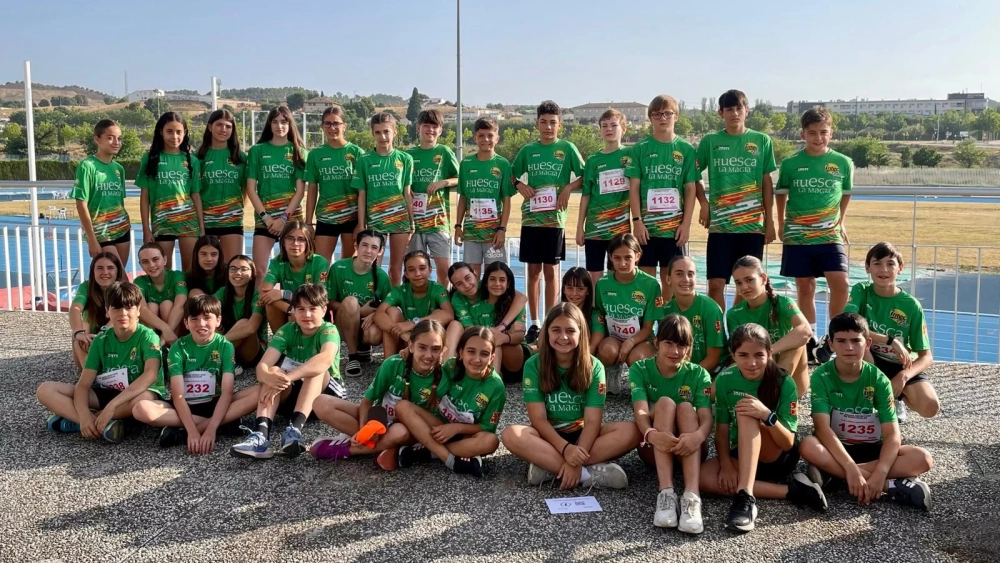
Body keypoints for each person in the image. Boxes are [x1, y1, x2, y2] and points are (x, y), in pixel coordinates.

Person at [700, 324, 826, 533]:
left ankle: (745, 498)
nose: (751, 363)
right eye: (743, 355)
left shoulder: (784, 382)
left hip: (777, 455)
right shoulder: (725, 379)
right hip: (743, 451)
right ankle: (793, 491)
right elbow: (721, 431)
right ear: (733, 354)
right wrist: (726, 465)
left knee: (747, 410)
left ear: (769, 353)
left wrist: (766, 415)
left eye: (759, 355)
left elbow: (787, 443)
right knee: (703, 477)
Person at [799, 313, 932, 510]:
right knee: (807, 445)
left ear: (868, 343)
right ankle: (890, 486)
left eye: (856, 341)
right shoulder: (821, 376)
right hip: (837, 448)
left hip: (873, 450)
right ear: (831, 344)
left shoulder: (879, 380)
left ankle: (833, 475)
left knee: (923, 459)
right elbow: (822, 429)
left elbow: (892, 435)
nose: (849, 347)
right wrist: (851, 467)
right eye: (841, 341)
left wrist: (881, 471)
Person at [501, 303, 637, 491]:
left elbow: (592, 421)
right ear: (546, 332)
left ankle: (550, 467)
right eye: (556, 330)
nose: (563, 337)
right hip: (548, 436)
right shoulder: (533, 365)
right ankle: (586, 475)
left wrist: (576, 454)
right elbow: (538, 419)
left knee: (633, 431)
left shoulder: (595, 366)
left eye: (570, 331)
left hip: (583, 434)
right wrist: (566, 450)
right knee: (511, 434)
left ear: (581, 333)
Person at [37, 281, 166, 444]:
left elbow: (150, 375)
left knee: (144, 398)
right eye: (116, 308)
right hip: (106, 391)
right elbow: (83, 385)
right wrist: (84, 415)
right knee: (45, 390)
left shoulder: (148, 337)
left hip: (135, 393)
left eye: (129, 308)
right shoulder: (100, 340)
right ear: (107, 311)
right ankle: (94, 424)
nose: (123, 313)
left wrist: (112, 406)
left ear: (138, 310)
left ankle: (88, 421)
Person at [310, 320, 448, 470]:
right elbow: (367, 401)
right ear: (411, 346)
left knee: (399, 432)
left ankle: (349, 449)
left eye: (435, 349)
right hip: (380, 421)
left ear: (443, 351)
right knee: (321, 403)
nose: (428, 355)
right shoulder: (393, 364)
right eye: (422, 347)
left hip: (410, 432)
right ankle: (384, 446)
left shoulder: (446, 375)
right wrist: (364, 430)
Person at [131, 294, 258, 452]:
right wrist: (192, 431)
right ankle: (224, 424)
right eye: (194, 319)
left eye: (207, 318)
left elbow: (227, 393)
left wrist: (210, 429)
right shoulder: (178, 348)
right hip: (185, 405)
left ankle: (183, 432)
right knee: (140, 409)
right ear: (186, 323)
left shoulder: (226, 346)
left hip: (216, 401)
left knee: (260, 392)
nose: (201, 324)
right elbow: (178, 396)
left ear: (218, 320)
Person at [231, 284, 345, 459]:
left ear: (323, 310)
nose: (306, 314)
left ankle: (294, 431)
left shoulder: (329, 329)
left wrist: (287, 377)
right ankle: (261, 437)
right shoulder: (288, 330)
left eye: (312, 309)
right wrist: (269, 376)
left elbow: (325, 359)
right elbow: (262, 367)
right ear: (293, 311)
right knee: (273, 370)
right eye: (301, 309)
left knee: (315, 369)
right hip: (293, 393)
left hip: (324, 396)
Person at [776, 107, 853, 365]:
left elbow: (846, 194)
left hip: (829, 235)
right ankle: (809, 340)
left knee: (841, 284)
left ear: (831, 133)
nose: (818, 138)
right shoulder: (790, 164)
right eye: (812, 133)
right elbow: (781, 195)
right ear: (803, 134)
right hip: (798, 235)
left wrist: (841, 221)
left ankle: (833, 338)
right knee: (805, 287)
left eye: (823, 132)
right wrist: (780, 224)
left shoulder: (843, 162)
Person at [629, 315, 713, 533]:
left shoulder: (699, 374)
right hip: (655, 445)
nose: (675, 351)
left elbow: (706, 416)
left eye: (681, 345)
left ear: (689, 348)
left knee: (685, 407)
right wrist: (651, 434)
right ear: (656, 342)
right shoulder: (640, 369)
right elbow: (640, 410)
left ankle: (692, 496)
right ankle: (666, 493)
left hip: (691, 446)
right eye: (668, 343)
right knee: (665, 403)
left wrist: (698, 436)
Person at [695, 90, 777, 311]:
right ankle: (716, 329)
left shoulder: (762, 140)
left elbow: (767, 182)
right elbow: (692, 175)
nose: (735, 113)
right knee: (715, 285)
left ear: (747, 110)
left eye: (739, 108)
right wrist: (704, 203)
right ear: (721, 113)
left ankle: (737, 327)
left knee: (747, 287)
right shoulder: (710, 141)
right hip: (720, 227)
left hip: (752, 227)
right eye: (729, 109)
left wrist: (770, 222)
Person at [512, 101, 585, 344]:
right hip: (531, 219)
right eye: (543, 122)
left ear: (559, 125)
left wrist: (568, 187)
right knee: (533, 272)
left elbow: (586, 175)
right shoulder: (527, 150)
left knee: (551, 272)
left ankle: (550, 321)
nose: (548, 126)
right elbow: (509, 174)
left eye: (553, 122)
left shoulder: (567, 148)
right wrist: (519, 184)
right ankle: (534, 323)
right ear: (537, 124)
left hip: (554, 220)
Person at [843, 242, 939, 421]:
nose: (884, 270)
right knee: (860, 344)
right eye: (877, 263)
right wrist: (890, 340)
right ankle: (875, 397)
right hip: (868, 357)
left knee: (930, 407)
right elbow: (848, 324)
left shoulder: (911, 305)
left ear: (900, 268)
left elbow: (926, 357)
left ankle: (896, 396)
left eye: (890, 264)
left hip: (899, 364)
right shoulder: (861, 290)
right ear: (867, 268)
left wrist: (904, 376)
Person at [394, 326, 507, 477]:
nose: (477, 359)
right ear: (461, 352)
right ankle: (452, 460)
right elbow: (425, 364)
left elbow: (486, 427)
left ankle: (426, 451)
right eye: (471, 351)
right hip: (436, 427)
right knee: (402, 407)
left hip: (465, 435)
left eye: (484, 354)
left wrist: (456, 428)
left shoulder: (496, 387)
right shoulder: (451, 366)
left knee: (491, 441)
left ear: (492, 358)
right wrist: (408, 353)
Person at [627, 95, 699, 295]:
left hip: (674, 230)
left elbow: (690, 188)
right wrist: (637, 221)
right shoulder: (639, 149)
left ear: (676, 116)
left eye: (668, 113)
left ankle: (667, 317)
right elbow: (634, 188)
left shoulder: (686, 149)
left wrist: (686, 224)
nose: (663, 118)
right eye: (657, 114)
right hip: (646, 230)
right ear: (650, 118)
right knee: (646, 284)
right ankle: (651, 316)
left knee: (671, 283)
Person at [727, 255, 812, 397]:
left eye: (749, 280)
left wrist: (768, 351)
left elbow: (806, 331)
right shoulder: (734, 314)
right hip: (754, 373)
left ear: (763, 279)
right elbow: (736, 355)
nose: (744, 287)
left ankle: (773, 392)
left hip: (790, 378)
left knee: (797, 341)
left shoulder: (783, 303)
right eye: (739, 283)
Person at [246, 106, 308, 287]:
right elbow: (251, 189)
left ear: (290, 124)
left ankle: (293, 304)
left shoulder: (299, 151)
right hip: (265, 220)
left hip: (291, 220)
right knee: (259, 271)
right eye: (275, 122)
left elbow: (300, 191)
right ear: (269, 124)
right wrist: (266, 218)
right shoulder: (257, 150)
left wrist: (283, 219)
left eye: (284, 122)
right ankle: (259, 305)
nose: (279, 126)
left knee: (294, 270)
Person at [592, 233, 661, 394]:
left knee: (637, 358)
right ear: (610, 257)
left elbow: (648, 326)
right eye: (617, 258)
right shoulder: (602, 284)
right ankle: (612, 371)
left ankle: (642, 385)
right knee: (607, 350)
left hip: (640, 339)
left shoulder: (651, 284)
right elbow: (600, 316)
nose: (622, 263)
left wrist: (631, 341)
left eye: (628, 257)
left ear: (637, 256)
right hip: (613, 338)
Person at [353, 112, 415, 286]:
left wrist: (412, 224)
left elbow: (407, 194)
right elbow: (362, 195)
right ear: (372, 134)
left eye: (386, 131)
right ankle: (373, 300)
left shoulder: (405, 159)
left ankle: (394, 302)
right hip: (375, 222)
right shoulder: (364, 160)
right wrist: (361, 224)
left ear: (395, 132)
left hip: (400, 222)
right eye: (378, 132)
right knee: (373, 268)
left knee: (395, 270)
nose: (382, 137)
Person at [137, 111, 203, 271]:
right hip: (162, 223)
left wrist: (202, 228)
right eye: (169, 131)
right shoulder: (150, 159)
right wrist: (146, 229)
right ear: (161, 131)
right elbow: (144, 197)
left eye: (179, 132)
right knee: (163, 271)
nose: (174, 136)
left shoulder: (192, 160)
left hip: (188, 222)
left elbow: (195, 196)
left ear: (185, 133)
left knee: (190, 271)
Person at [577, 109, 633, 284]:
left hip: (620, 229)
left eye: (614, 125)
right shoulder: (593, 160)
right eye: (604, 126)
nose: (609, 129)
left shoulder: (631, 155)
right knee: (595, 277)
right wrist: (580, 227)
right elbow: (586, 195)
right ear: (600, 130)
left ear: (623, 129)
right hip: (595, 229)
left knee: (617, 276)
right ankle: (595, 304)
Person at [454, 117, 515, 278]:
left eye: (490, 135)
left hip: (493, 234)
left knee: (494, 276)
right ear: (475, 138)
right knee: (471, 277)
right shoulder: (466, 163)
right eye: (481, 135)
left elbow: (507, 200)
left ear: (497, 138)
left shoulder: (503, 164)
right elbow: (463, 198)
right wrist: (458, 226)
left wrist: (502, 229)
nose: (486, 139)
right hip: (471, 233)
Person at [305, 105, 365, 262]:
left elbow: (363, 191)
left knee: (348, 267)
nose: (332, 128)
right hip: (326, 218)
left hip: (352, 218)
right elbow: (312, 189)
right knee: (320, 266)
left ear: (344, 125)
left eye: (336, 123)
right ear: (322, 126)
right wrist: (308, 222)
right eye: (328, 123)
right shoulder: (315, 154)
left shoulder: (357, 153)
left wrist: (362, 222)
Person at [327, 230, 390, 377]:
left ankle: (364, 346)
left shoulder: (382, 276)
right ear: (356, 245)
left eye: (374, 247)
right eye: (365, 245)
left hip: (366, 325)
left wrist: (375, 314)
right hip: (343, 321)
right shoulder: (338, 268)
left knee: (375, 334)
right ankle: (353, 356)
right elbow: (329, 302)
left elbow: (389, 306)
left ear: (380, 252)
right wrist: (358, 311)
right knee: (351, 301)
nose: (368, 251)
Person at [406, 109, 460, 284]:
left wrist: (443, 182)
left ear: (440, 130)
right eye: (426, 125)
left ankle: (442, 300)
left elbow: (460, 179)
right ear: (418, 128)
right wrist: (405, 190)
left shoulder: (444, 152)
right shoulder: (408, 155)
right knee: (415, 270)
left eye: (434, 126)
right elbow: (400, 183)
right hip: (414, 223)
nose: (430, 129)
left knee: (444, 270)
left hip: (438, 222)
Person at [445, 262, 528, 366]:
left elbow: (522, 298)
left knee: (498, 339)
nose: (466, 285)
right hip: (481, 342)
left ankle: (493, 375)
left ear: (475, 274)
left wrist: (501, 328)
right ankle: (448, 367)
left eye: (468, 278)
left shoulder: (491, 286)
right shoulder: (460, 299)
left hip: (508, 349)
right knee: (456, 325)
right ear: (455, 287)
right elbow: (470, 329)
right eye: (459, 283)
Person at [72, 119, 131, 266]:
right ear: (97, 139)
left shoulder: (119, 169)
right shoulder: (87, 166)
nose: (116, 142)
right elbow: (81, 204)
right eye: (110, 138)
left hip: (122, 228)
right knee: (112, 272)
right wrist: (91, 238)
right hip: (100, 231)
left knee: (118, 275)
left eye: (119, 138)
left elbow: (119, 202)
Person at [374, 250, 454, 358]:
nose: (417, 274)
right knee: (392, 311)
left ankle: (434, 360)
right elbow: (378, 314)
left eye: (422, 268)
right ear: (406, 274)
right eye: (411, 270)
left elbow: (449, 314)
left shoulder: (438, 289)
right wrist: (402, 333)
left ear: (430, 270)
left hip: (429, 342)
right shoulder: (399, 290)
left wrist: (413, 323)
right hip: (405, 340)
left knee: (438, 312)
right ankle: (388, 362)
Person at [258, 221, 329, 334]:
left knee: (297, 313)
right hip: (290, 308)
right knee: (270, 301)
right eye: (290, 238)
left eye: (301, 239)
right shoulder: (277, 262)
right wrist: (290, 309)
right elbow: (263, 293)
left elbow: (319, 298)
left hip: (311, 309)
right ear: (283, 242)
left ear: (308, 242)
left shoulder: (320, 262)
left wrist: (285, 294)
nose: (295, 243)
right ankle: (280, 341)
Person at [196, 108, 247, 263]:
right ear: (210, 127)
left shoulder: (241, 158)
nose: (223, 129)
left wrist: (238, 211)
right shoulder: (198, 158)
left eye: (228, 126)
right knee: (207, 269)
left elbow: (245, 189)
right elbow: (194, 192)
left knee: (231, 266)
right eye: (219, 125)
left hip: (232, 221)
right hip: (205, 222)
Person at [660, 255, 725, 374]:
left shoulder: (711, 309)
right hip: (681, 370)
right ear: (668, 279)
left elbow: (713, 359)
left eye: (690, 274)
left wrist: (687, 377)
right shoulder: (666, 310)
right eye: (679, 274)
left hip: (711, 372)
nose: (686, 279)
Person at [466, 261, 530, 382]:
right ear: (486, 282)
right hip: (487, 356)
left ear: (508, 284)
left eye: (502, 280)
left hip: (514, 359)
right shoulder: (475, 308)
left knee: (498, 341)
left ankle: (493, 381)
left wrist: (503, 337)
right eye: (492, 279)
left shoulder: (515, 305)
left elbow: (519, 336)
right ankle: (493, 376)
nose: (497, 284)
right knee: (490, 342)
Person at [69, 252, 126, 368]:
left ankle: (96, 371)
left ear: (117, 271)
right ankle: (89, 372)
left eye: (110, 268)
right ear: (93, 271)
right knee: (83, 326)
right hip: (89, 341)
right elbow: (75, 308)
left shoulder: (123, 289)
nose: (105, 272)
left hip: (112, 335)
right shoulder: (87, 286)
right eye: (100, 268)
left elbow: (121, 315)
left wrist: (102, 333)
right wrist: (79, 332)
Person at [215, 255, 268, 368]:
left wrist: (218, 342)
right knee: (210, 318)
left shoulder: (256, 296)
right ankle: (226, 361)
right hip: (230, 346)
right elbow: (205, 311)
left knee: (244, 322)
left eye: (243, 269)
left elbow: (251, 328)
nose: (238, 273)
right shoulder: (223, 292)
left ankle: (217, 357)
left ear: (252, 275)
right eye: (233, 269)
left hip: (252, 351)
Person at [135, 242, 189, 338]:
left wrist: (162, 339)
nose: (151, 265)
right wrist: (165, 328)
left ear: (164, 260)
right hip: (156, 328)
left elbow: (180, 306)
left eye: (155, 259)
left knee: (166, 305)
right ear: (140, 264)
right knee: (151, 306)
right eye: (145, 262)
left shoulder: (176, 276)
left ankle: (169, 344)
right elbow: (142, 309)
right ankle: (150, 342)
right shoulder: (139, 282)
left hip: (174, 329)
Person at [560, 267, 598, 335]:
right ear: (564, 289)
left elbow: (598, 335)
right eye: (570, 288)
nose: (574, 293)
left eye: (580, 289)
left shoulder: (595, 315)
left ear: (588, 291)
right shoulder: (556, 313)